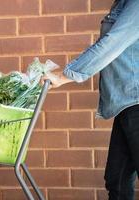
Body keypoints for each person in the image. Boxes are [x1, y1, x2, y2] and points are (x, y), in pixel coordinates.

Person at [42, 0, 139, 199]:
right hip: (126, 104)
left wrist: (64, 76)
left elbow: (112, 42)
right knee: (117, 180)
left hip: (135, 101)